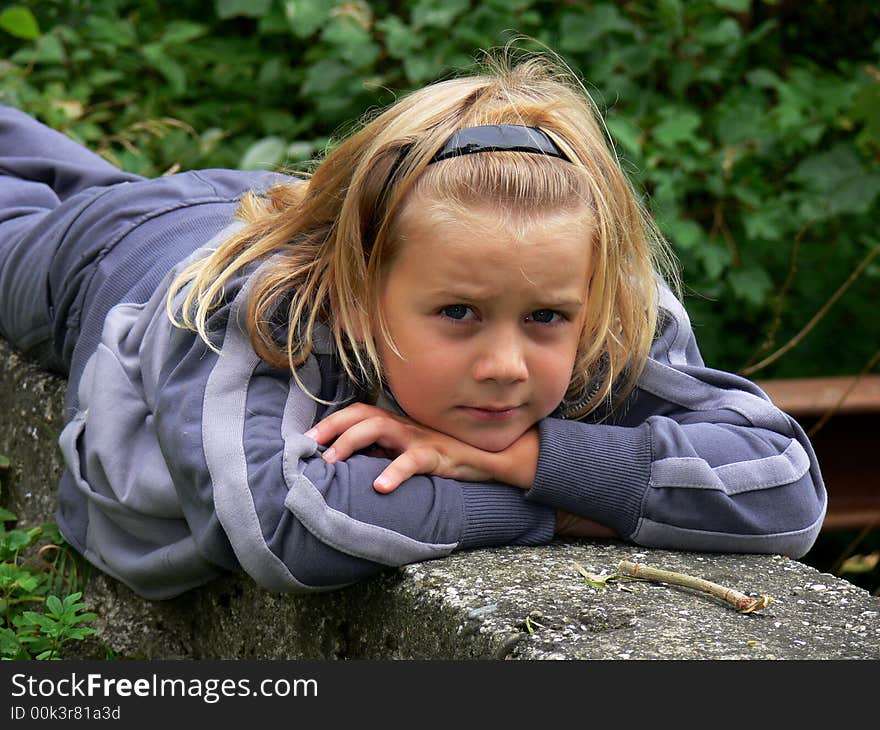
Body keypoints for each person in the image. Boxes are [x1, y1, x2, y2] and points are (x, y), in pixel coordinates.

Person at [0, 54, 826, 600]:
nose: (505, 363)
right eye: (458, 315)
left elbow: (786, 489)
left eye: (544, 318)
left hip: (268, 193)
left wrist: (533, 458)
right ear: (360, 293)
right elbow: (283, 528)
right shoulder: (256, 305)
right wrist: (535, 497)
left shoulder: (592, 295)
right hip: (120, 252)